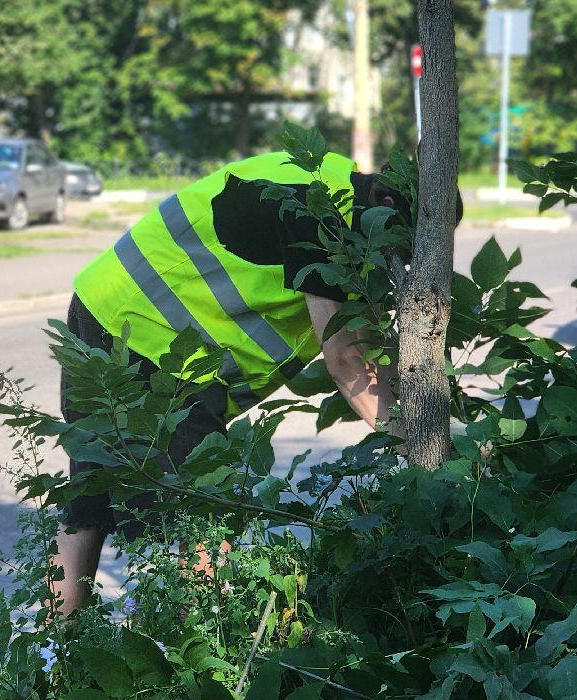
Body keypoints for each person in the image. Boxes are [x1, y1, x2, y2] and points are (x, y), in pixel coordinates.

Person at [52, 148, 428, 619]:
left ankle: (49, 661)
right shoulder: (322, 216)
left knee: (90, 500)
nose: (400, 263)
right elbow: (350, 360)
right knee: (200, 521)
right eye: (403, 246)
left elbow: (366, 345)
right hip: (153, 344)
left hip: (104, 305)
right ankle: (207, 666)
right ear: (389, 205)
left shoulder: (322, 178)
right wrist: (416, 451)